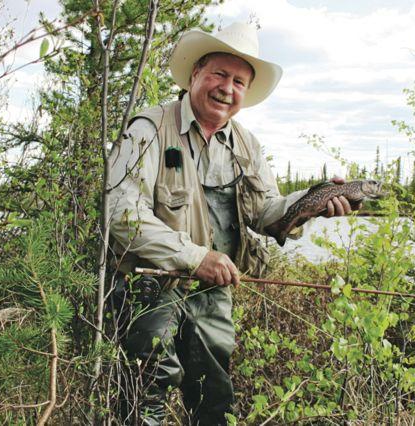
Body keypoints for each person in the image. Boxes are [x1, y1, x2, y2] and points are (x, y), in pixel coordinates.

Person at [107, 22, 355, 425]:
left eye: (239, 81)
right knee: (145, 393)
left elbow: (266, 210)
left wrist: (313, 203)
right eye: (219, 74)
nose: (228, 88)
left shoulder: (245, 144)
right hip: (149, 285)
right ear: (195, 76)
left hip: (211, 291)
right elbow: (123, 216)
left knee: (214, 397)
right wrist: (195, 257)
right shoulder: (148, 129)